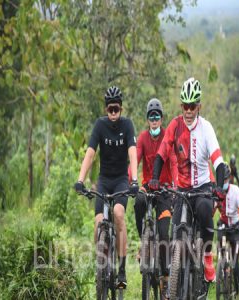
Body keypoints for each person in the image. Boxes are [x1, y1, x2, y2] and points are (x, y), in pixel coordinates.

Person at [149, 77, 226, 282]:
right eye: (185, 106)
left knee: (204, 213)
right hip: (182, 189)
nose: (189, 111)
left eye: (192, 106)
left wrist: (218, 186)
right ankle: (176, 277)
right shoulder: (175, 125)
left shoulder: (206, 128)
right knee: (176, 230)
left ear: (199, 106)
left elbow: (218, 161)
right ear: (181, 106)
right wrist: (155, 178)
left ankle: (207, 256)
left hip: (202, 186)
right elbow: (162, 153)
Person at [74, 86, 139, 287]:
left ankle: (121, 270)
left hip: (121, 180)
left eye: (116, 110)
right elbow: (91, 153)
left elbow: (132, 152)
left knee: (118, 214)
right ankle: (101, 263)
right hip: (103, 181)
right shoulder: (99, 126)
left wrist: (134, 180)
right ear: (105, 109)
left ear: (121, 109)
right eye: (110, 110)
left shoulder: (127, 125)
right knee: (98, 222)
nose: (113, 114)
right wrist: (80, 179)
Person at [131, 98, 178, 299]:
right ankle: (144, 239)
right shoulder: (142, 138)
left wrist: (175, 185)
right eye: (151, 116)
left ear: (162, 118)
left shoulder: (168, 137)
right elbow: (136, 159)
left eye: (157, 116)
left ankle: (165, 280)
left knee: (163, 234)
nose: (154, 120)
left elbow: (174, 162)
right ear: (147, 119)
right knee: (138, 203)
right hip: (147, 189)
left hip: (165, 192)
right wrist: (131, 181)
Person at [214, 163, 239, 295]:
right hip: (223, 225)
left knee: (235, 261)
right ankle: (222, 270)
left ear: (229, 179)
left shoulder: (235, 191)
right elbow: (212, 207)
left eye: (226, 180)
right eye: (222, 180)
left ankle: (237, 291)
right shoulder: (217, 191)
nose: (224, 182)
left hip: (235, 228)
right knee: (221, 248)